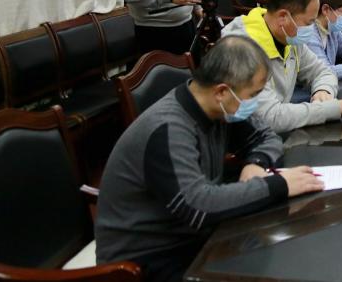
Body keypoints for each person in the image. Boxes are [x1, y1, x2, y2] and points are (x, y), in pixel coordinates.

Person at [95, 36, 324, 282]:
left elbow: (266, 137)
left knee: (285, 253)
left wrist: (255, 163)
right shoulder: (168, 129)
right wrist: (279, 185)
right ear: (222, 91)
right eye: (253, 94)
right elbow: (198, 205)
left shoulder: (219, 107)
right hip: (147, 260)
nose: (255, 103)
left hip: (192, 236)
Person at [220, 0, 342, 133]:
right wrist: (338, 108)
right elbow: (269, 117)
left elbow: (323, 72)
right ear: (283, 17)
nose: (312, 28)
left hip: (277, 133)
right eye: (309, 23)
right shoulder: (242, 49)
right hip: (249, 138)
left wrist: (323, 90)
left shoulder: (289, 38)